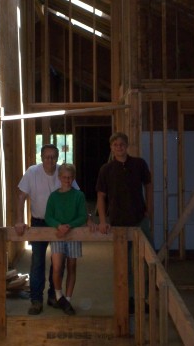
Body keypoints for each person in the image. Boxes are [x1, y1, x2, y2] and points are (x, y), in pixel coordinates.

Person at [15, 144, 79, 315]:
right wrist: (19, 221)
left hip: (60, 224)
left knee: (58, 263)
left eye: (53, 157)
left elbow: (76, 193)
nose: (50, 160)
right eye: (46, 157)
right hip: (39, 222)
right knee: (37, 261)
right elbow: (21, 196)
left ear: (57, 158)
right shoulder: (32, 172)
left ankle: (53, 296)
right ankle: (36, 300)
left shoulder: (62, 172)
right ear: (41, 157)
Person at [95, 131, 154, 314]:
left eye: (122, 144)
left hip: (139, 219)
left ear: (126, 146)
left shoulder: (139, 164)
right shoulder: (106, 169)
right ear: (111, 148)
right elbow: (101, 196)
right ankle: (127, 299)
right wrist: (103, 221)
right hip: (119, 222)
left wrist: (149, 208)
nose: (119, 147)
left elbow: (149, 185)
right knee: (124, 264)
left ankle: (142, 299)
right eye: (115, 145)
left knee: (145, 261)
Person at [45, 163, 87, 315]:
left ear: (73, 178)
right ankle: (58, 295)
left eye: (70, 178)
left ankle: (67, 300)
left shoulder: (79, 195)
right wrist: (58, 226)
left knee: (72, 267)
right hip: (58, 235)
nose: (67, 180)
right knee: (57, 267)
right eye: (64, 177)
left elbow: (83, 216)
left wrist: (69, 226)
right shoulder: (54, 196)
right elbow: (48, 216)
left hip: (73, 235)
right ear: (59, 178)